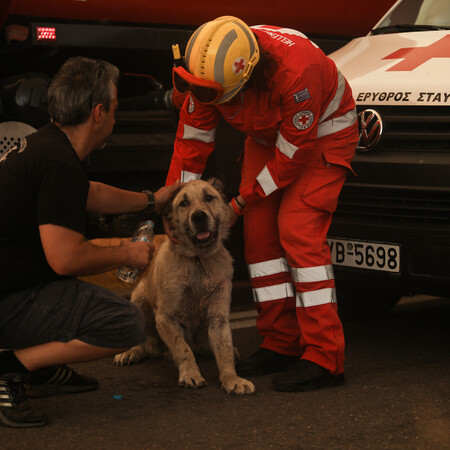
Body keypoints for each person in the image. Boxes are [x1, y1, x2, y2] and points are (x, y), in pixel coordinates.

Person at [165, 16, 358, 392]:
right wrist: (178, 209)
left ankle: (324, 356)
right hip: (270, 134)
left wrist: (241, 199)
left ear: (246, 80)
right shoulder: (210, 74)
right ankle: (280, 342)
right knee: (259, 238)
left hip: (322, 134)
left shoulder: (297, 73)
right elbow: (191, 145)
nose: (206, 101)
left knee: (297, 230)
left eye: (214, 96)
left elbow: (291, 156)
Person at [0, 56, 180, 428]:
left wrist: (152, 199)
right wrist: (127, 253)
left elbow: (87, 193)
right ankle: (11, 368)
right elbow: (65, 258)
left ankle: (44, 368)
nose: (115, 117)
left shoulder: (45, 145)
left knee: (68, 289)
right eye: (114, 108)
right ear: (98, 112)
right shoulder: (59, 164)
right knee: (126, 323)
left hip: (11, 287)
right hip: (8, 302)